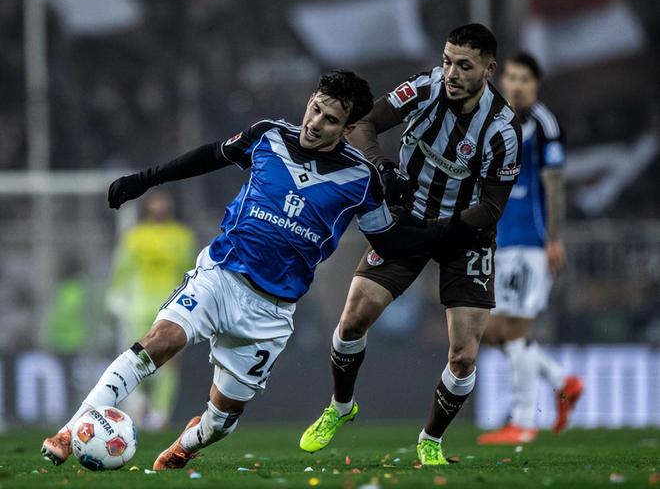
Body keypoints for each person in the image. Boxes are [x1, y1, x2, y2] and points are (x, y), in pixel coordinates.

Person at [41, 70, 459, 470]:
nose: (315, 123)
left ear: (348, 128)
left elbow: (388, 241)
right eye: (315, 108)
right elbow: (210, 156)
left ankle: (187, 444)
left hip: (270, 311)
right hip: (221, 274)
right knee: (158, 341)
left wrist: (439, 225)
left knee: (222, 420)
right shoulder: (269, 135)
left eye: (330, 120)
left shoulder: (361, 179)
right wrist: (145, 180)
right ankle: (67, 432)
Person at [299, 24, 522, 466]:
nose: (451, 73)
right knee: (352, 320)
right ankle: (341, 406)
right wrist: (383, 167)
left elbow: (492, 208)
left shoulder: (502, 129)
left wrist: (434, 234)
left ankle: (431, 440)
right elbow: (364, 123)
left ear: (489, 70)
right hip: (408, 217)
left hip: (465, 234)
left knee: (464, 356)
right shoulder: (426, 87)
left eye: (464, 66)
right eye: (447, 61)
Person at [476, 52, 583, 445]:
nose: (517, 85)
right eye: (512, 77)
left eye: (525, 79)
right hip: (501, 243)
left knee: (514, 328)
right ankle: (561, 381)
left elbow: (554, 185)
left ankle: (523, 420)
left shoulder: (545, 124)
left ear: (535, 86)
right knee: (491, 330)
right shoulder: (492, 123)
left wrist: (553, 238)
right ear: (502, 81)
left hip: (531, 244)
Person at [106, 190, 196, 429]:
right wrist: (116, 298)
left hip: (171, 308)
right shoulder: (135, 236)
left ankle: (160, 412)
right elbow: (122, 270)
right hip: (139, 308)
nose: (159, 208)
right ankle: (143, 401)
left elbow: (189, 273)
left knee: (168, 363)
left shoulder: (181, 236)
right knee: (139, 359)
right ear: (148, 207)